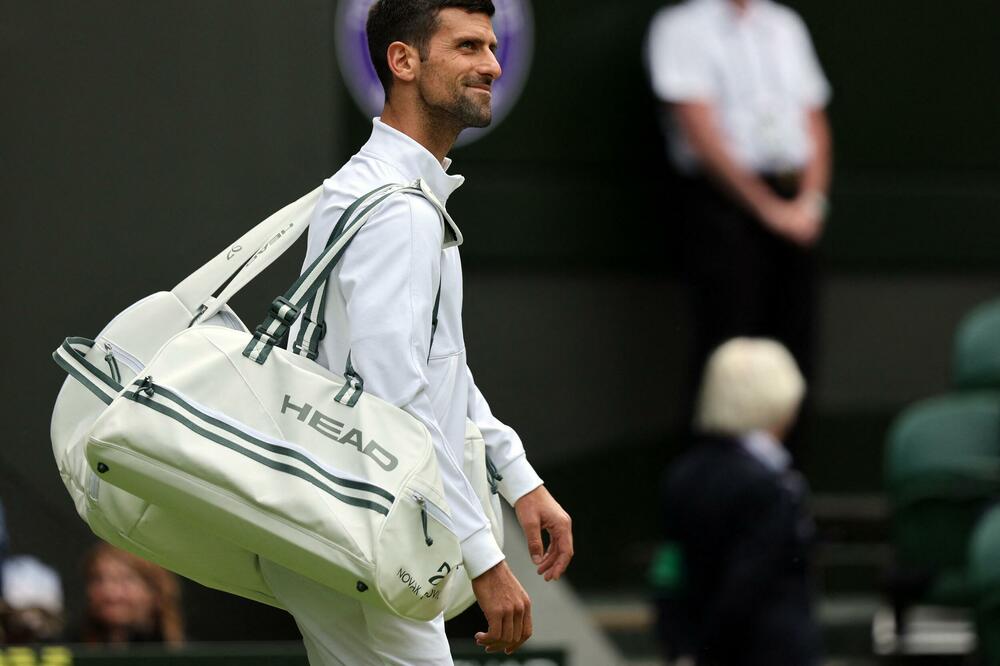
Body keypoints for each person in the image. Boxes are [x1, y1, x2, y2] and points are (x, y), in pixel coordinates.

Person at [260, 2, 574, 664]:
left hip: (351, 518)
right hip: (370, 523)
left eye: (491, 46)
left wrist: (516, 475)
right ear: (403, 62)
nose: (491, 64)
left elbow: (435, 369)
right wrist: (485, 559)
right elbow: (398, 395)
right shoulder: (396, 211)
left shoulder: (389, 192)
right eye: (466, 47)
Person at [645, 0, 833, 450]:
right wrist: (766, 209)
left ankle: (786, 491)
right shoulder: (680, 27)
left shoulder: (785, 25)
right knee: (727, 353)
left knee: (795, 352)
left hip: (795, 208)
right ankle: (718, 496)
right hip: (722, 211)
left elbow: (814, 122)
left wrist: (812, 202)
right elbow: (700, 131)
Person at [656, 338, 819, 665]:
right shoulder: (771, 485)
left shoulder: (683, 474)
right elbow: (746, 587)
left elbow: (668, 573)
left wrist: (684, 647)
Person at [79, 543, 184, 646]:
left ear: (155, 590)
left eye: (126, 579)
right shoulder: (70, 648)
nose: (110, 592)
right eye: (98, 579)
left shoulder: (186, 654)